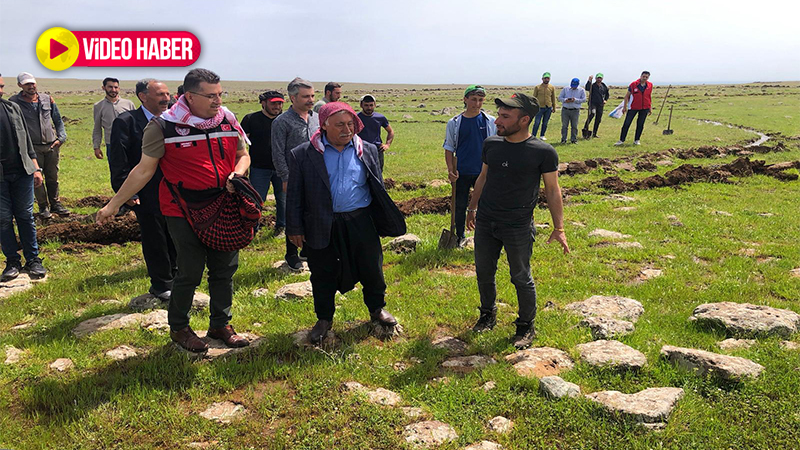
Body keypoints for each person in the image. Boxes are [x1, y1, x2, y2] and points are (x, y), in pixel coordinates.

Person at [97, 68, 252, 353]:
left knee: (225, 268)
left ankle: (221, 323)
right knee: (189, 269)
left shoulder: (228, 120)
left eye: (220, 95)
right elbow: (143, 170)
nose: (218, 101)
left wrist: (237, 175)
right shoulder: (163, 126)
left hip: (224, 203)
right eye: (211, 96)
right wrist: (114, 204)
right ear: (190, 96)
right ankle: (180, 327)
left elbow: (243, 155)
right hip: (182, 208)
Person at [286, 102, 406, 345]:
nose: (347, 129)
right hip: (322, 222)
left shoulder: (368, 149)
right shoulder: (304, 153)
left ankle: (376, 309)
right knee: (322, 272)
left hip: (360, 220)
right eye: (340, 124)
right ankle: (324, 319)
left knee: (372, 267)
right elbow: (295, 194)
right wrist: (295, 228)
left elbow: (377, 186)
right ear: (324, 125)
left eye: (351, 124)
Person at [465, 92, 570, 349]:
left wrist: (559, 228)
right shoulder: (491, 143)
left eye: (505, 116)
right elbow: (483, 178)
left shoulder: (543, 152)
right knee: (484, 272)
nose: (498, 120)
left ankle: (525, 326)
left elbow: (553, 190)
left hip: (518, 225)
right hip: (487, 222)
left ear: (524, 120)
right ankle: (487, 315)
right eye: (499, 115)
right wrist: (472, 208)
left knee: (521, 276)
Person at [107, 78, 176, 301]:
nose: (166, 99)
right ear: (143, 97)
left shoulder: (174, 120)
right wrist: (128, 194)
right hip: (145, 191)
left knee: (175, 234)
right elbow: (119, 161)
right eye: (160, 95)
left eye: (167, 94)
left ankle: (177, 279)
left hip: (175, 189)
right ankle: (161, 285)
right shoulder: (126, 122)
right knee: (155, 238)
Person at [0, 73, 47, 281]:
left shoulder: (12, 107)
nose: (1, 90)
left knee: (26, 217)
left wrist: (35, 167)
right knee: (2, 220)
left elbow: (26, 140)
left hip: (22, 172)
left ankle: (33, 260)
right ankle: (12, 261)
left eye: (1, 86)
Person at [271, 77, 319, 270]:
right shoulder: (281, 122)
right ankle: (292, 253)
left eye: (312, 95)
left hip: (315, 175)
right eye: (306, 96)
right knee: (294, 214)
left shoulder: (316, 117)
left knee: (313, 211)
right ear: (293, 98)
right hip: (293, 176)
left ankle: (307, 249)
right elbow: (277, 152)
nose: (310, 99)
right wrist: (285, 177)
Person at [9, 72, 68, 218]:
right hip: (31, 147)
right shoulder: (14, 102)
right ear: (20, 85)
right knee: (37, 177)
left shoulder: (47, 99)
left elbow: (58, 120)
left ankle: (56, 204)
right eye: (27, 84)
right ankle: (43, 207)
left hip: (51, 145)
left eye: (32, 83)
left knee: (52, 176)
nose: (31, 86)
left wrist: (61, 138)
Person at [443, 85, 497, 243]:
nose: (477, 103)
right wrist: (451, 170)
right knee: (459, 205)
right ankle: (459, 236)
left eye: (480, 100)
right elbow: (449, 148)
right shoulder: (454, 123)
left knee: (485, 204)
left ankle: (484, 236)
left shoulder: (490, 121)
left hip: (484, 171)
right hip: (462, 171)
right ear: (465, 100)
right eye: (473, 99)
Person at [241, 90, 286, 236]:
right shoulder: (250, 119)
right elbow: (241, 143)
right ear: (263, 103)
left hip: (281, 168)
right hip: (259, 168)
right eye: (273, 103)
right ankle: (253, 228)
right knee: (256, 200)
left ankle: (282, 227)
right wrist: (243, 163)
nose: (277, 106)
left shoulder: (285, 120)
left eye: (279, 103)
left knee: (283, 199)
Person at [92, 77, 135, 159]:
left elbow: (136, 125)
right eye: (110, 87)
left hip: (129, 142)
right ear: (103, 88)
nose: (113, 90)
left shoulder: (128, 104)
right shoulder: (98, 106)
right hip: (111, 144)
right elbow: (97, 128)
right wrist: (96, 147)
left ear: (119, 88)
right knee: (115, 169)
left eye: (116, 87)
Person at [357, 94, 394, 170]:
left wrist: (387, 144)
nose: (369, 108)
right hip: (361, 149)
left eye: (371, 105)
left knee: (378, 173)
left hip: (377, 150)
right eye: (366, 105)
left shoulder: (380, 118)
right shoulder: (356, 118)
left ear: (375, 105)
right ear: (361, 105)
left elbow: (390, 132)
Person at [615, 71, 653, 146]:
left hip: (644, 107)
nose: (645, 78)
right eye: (643, 76)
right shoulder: (633, 84)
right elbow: (626, 96)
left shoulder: (650, 85)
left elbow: (649, 96)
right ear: (641, 76)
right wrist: (625, 107)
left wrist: (650, 107)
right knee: (627, 123)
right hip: (633, 107)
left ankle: (637, 140)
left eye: (646, 77)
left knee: (640, 124)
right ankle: (621, 140)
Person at [558, 78, 586, 144]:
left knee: (574, 126)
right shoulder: (565, 89)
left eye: (575, 86)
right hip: (565, 110)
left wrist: (575, 100)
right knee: (564, 126)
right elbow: (560, 98)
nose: (573, 87)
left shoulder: (581, 90)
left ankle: (573, 139)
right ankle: (563, 139)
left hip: (575, 110)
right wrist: (565, 100)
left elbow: (584, 99)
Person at [582, 73, 609, 138]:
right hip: (592, 103)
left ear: (602, 79)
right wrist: (589, 80)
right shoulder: (592, 85)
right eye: (598, 78)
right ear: (595, 78)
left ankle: (594, 133)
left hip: (600, 104)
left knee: (598, 119)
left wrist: (605, 100)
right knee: (592, 114)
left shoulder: (604, 86)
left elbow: (607, 94)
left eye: (600, 78)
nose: (599, 79)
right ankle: (585, 128)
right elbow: (587, 88)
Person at [532, 72, 557, 140]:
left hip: (548, 107)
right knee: (537, 122)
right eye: (545, 78)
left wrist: (554, 107)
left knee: (545, 123)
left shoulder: (551, 87)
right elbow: (534, 97)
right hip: (539, 108)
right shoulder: (537, 87)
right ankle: (533, 135)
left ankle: (542, 135)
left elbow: (553, 98)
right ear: (542, 79)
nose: (546, 79)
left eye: (548, 78)